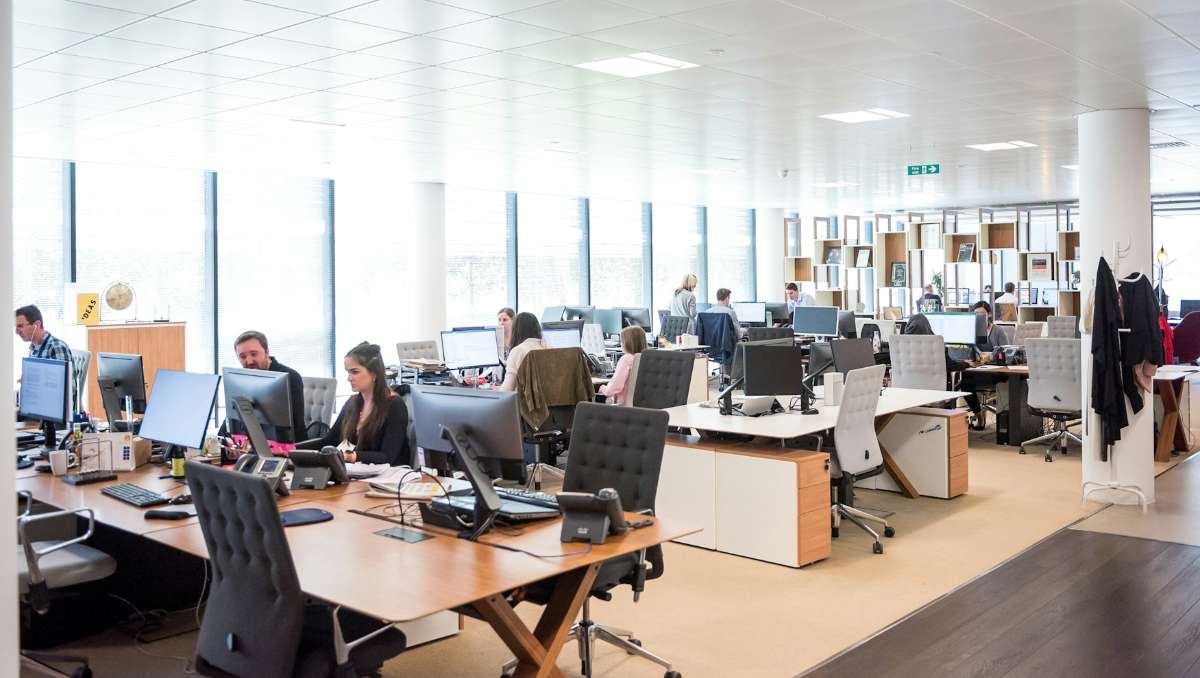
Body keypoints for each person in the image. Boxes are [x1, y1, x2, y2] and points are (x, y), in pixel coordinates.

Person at [298, 342, 409, 466]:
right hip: (357, 473)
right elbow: (329, 441)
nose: (349, 378)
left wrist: (350, 457)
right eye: (348, 372)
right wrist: (290, 450)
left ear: (374, 374)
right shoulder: (353, 402)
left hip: (386, 477)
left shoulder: (394, 405)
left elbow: (388, 456)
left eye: (355, 372)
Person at [905, 314, 985, 427]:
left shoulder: (902, 345)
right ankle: (979, 417)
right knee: (966, 378)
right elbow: (949, 365)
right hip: (936, 388)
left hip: (908, 390)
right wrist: (965, 363)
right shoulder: (935, 344)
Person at [230, 330, 306, 441]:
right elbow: (234, 415)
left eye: (254, 354)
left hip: (289, 447)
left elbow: (294, 424)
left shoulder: (290, 377)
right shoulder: (242, 380)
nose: (249, 361)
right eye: (242, 357)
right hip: (254, 443)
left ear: (267, 352)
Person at [15, 304, 74, 413]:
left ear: (37, 324)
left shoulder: (56, 348)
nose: (17, 332)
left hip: (51, 414)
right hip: (37, 408)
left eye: (20, 326)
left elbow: (67, 391)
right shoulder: (34, 348)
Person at [499, 312, 549, 392]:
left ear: (516, 330)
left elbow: (506, 390)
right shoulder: (548, 348)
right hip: (551, 401)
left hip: (527, 403)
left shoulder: (518, 351)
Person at [598, 326, 647, 406]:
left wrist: (602, 388)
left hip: (623, 407)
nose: (621, 344)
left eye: (622, 341)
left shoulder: (626, 359)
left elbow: (612, 389)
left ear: (628, 343)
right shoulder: (646, 358)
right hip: (642, 407)